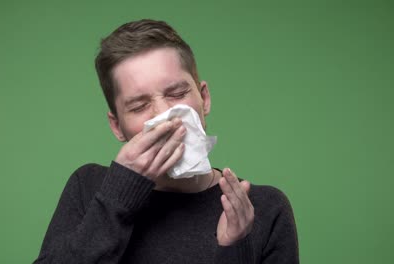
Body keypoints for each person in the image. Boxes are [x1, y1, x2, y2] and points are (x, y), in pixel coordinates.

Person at [34, 19, 299, 264]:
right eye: (139, 106)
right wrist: (120, 192)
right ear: (117, 126)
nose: (163, 115)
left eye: (177, 93)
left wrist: (235, 248)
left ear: (204, 98)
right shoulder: (89, 188)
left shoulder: (262, 208)